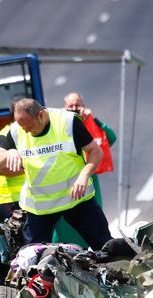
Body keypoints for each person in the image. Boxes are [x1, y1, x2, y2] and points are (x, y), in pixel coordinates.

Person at [0, 98, 112, 249]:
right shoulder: (17, 130)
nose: (26, 131)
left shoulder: (67, 122)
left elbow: (95, 151)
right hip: (40, 207)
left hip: (75, 199)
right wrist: (11, 152)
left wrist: (84, 175)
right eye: (23, 127)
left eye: (29, 126)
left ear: (41, 115)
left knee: (106, 247)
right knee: (32, 257)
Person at [53, 92, 118, 246]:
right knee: (65, 224)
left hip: (89, 179)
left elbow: (111, 138)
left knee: (92, 219)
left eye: (77, 105)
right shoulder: (61, 124)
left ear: (83, 106)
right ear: (64, 108)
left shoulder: (89, 122)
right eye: (71, 106)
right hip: (66, 180)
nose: (74, 108)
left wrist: (94, 119)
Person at [0, 102, 25, 221]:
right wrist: (29, 169)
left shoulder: (24, 134)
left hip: (24, 196)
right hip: (11, 200)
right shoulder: (3, 137)